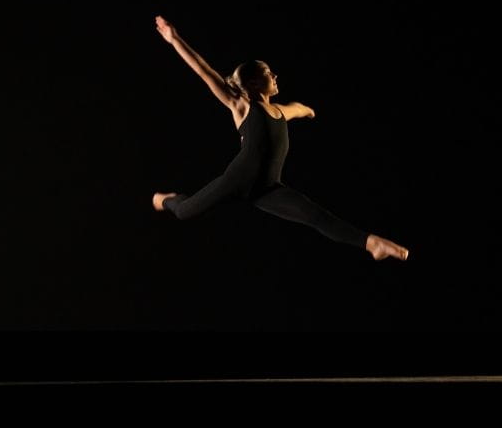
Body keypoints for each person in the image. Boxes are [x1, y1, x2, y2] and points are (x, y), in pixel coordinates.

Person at [151, 15, 409, 261]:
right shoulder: (242, 106)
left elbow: (294, 108)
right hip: (237, 181)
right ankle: (165, 199)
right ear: (252, 84)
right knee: (184, 212)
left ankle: (371, 243)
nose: (274, 76)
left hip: (268, 189)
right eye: (268, 72)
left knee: (314, 215)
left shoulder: (279, 111)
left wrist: (307, 110)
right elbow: (204, 71)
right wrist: (174, 38)